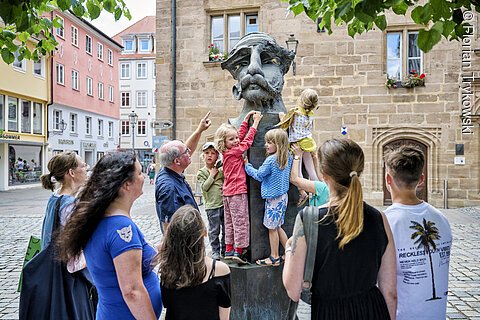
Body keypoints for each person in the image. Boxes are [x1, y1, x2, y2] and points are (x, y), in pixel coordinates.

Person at [283, 139, 397, 320]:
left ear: (324, 173)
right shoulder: (378, 218)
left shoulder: (309, 219)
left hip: (328, 312)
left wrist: (289, 248)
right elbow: (390, 291)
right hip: (371, 310)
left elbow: (293, 289)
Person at [58, 151, 162, 319]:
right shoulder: (121, 227)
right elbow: (132, 291)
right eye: (140, 173)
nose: (143, 177)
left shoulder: (100, 217)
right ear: (127, 184)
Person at [384, 145, 452, 320]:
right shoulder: (442, 219)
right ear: (421, 179)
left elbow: (388, 288)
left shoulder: (385, 221)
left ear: (388, 180)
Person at [155, 205, 231, 320]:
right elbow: (224, 316)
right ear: (204, 233)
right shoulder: (219, 270)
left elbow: (168, 306)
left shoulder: (167, 270)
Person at [215, 110, 263, 263]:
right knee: (240, 222)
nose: (236, 140)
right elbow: (246, 141)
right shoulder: (235, 152)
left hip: (227, 193)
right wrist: (255, 123)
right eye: (232, 139)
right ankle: (239, 251)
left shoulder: (226, 151)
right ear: (224, 142)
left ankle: (229, 249)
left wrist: (245, 120)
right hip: (237, 192)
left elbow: (239, 136)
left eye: (235, 138)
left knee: (229, 222)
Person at [221, 32, 295, 129]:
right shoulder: (231, 133)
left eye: (267, 62)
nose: (253, 68)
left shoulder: (297, 131)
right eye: (244, 63)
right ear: (236, 88)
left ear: (282, 72)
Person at [155, 111, 212, 232]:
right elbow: (169, 225)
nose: (189, 151)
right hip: (183, 245)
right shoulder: (169, 188)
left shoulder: (170, 167)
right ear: (177, 161)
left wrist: (199, 130)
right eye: (186, 152)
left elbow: (186, 149)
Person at [244, 129, 293, 266]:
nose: (266, 145)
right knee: (278, 226)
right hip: (283, 198)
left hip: (273, 200)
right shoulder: (287, 156)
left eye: (270, 142)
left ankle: (274, 257)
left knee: (272, 228)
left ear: (279, 144)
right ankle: (290, 253)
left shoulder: (271, 160)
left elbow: (259, 175)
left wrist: (247, 166)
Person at [277, 88, 320, 205]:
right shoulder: (310, 114)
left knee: (297, 170)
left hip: (297, 143)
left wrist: (282, 116)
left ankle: (302, 192)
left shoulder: (295, 112)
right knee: (311, 169)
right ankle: (319, 190)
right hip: (308, 142)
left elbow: (284, 124)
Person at [40, 151, 88, 249]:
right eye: (83, 166)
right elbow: (75, 241)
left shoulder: (55, 196)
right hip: (63, 262)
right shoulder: (69, 205)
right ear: (71, 173)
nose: (86, 169)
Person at [196, 142, 225, 260]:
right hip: (212, 206)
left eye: (213, 153)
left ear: (217, 156)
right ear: (203, 155)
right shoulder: (202, 172)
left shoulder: (221, 170)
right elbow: (204, 187)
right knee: (214, 230)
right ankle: (215, 250)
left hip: (223, 204)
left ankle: (224, 248)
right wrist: (212, 175)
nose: (209, 155)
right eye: (207, 153)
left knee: (226, 229)